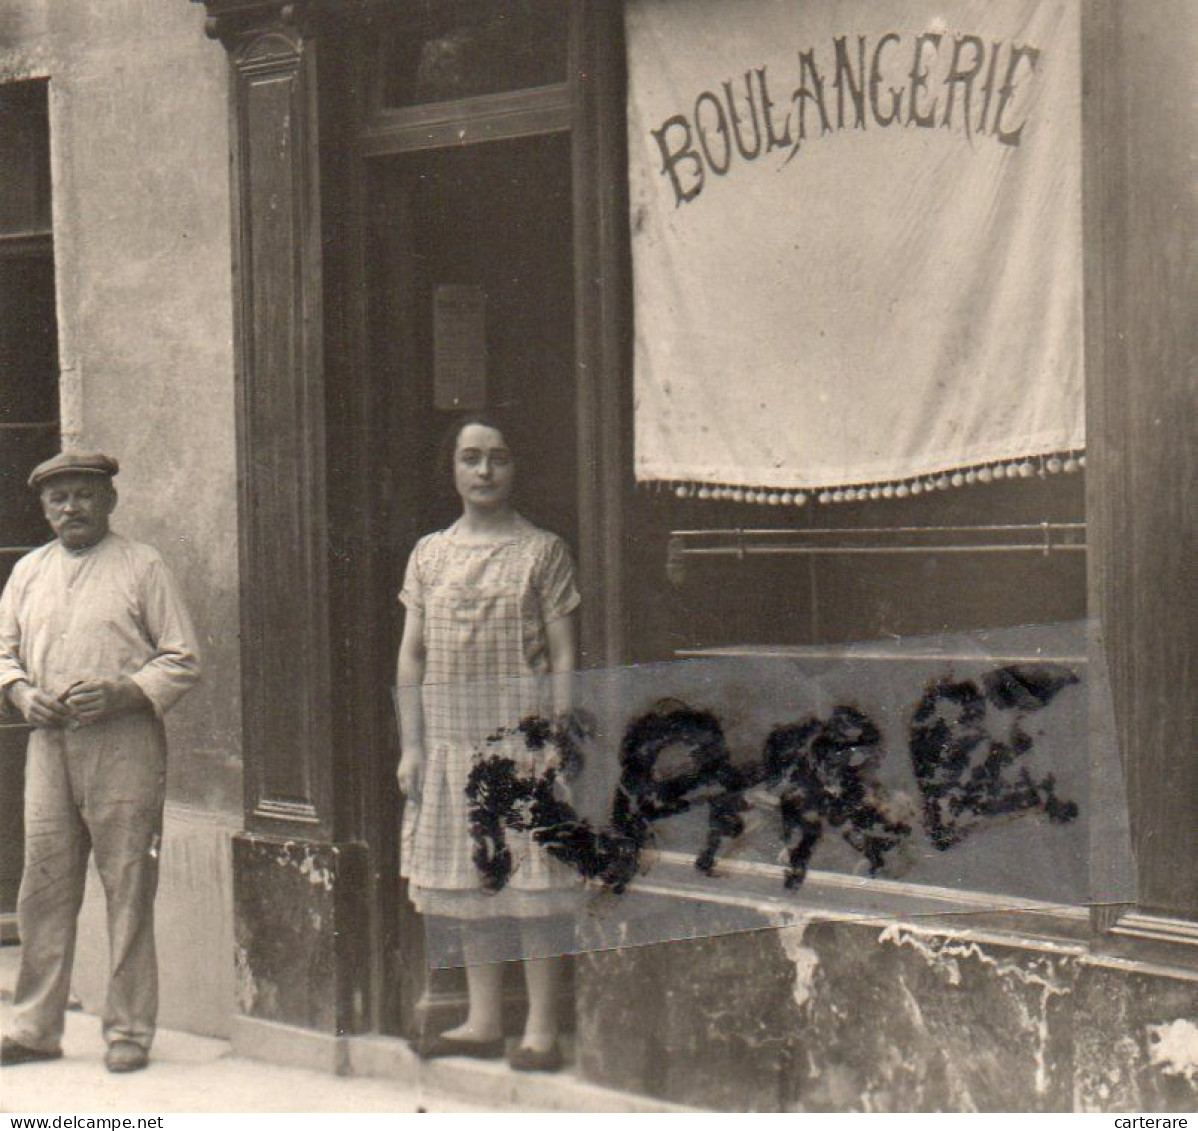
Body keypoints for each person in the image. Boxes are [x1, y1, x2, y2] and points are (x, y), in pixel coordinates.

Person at [0, 451, 201, 1073]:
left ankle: (129, 1029)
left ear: (108, 501)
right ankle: (35, 1027)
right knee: (44, 885)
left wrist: (124, 692)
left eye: (84, 494)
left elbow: (182, 657)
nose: (71, 508)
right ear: (43, 507)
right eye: (58, 498)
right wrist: (20, 691)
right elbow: (2, 652)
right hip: (50, 745)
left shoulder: (143, 565)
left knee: (128, 884)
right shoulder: (29, 571)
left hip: (125, 742)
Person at [395, 413, 580, 1073]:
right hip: (450, 744)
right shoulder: (429, 554)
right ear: (452, 468)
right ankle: (482, 1018)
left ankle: (540, 1027)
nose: (484, 471)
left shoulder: (542, 552)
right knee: (472, 884)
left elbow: (563, 656)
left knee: (531, 890)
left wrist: (555, 738)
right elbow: (410, 659)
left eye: (497, 457)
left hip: (520, 743)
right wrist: (412, 746)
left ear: (514, 467)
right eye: (471, 457)